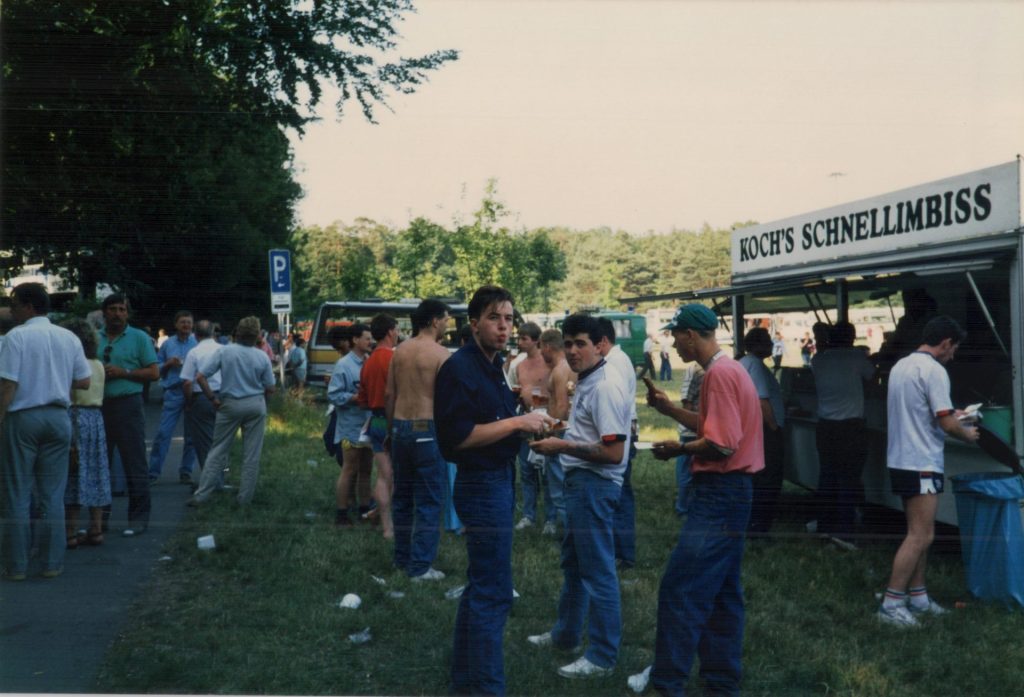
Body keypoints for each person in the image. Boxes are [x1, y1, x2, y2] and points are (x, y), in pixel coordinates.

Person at [631, 303, 763, 696]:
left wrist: (679, 450)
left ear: (690, 334)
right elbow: (715, 428)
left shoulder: (717, 375)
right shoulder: (729, 369)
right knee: (723, 592)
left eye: (675, 335)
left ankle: (668, 683)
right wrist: (670, 410)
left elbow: (721, 444)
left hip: (720, 494)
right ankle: (721, 682)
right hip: (735, 493)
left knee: (681, 588)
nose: (673, 344)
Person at [435, 285, 552, 697]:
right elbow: (457, 439)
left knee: (481, 586)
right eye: (493, 318)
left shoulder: (492, 365)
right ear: (473, 324)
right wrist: (518, 424)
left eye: (508, 319)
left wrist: (525, 422)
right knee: (494, 592)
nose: (504, 327)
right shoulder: (459, 368)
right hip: (482, 485)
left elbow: (492, 420)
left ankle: (465, 681)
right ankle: (486, 688)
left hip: (498, 479)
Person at [527, 313, 631, 679]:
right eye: (568, 343)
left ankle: (602, 657)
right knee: (574, 566)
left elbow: (614, 453)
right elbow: (590, 431)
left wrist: (562, 446)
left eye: (581, 344)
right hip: (580, 484)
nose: (572, 351)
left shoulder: (605, 386)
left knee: (598, 572)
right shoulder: (587, 379)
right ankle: (566, 635)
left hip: (594, 485)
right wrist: (558, 430)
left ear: (600, 345)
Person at [877, 315, 978, 628]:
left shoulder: (902, 366)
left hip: (901, 459)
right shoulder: (935, 371)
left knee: (917, 532)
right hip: (921, 461)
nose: (953, 356)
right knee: (922, 535)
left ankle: (918, 596)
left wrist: (952, 414)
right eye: (954, 349)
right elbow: (946, 424)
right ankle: (892, 603)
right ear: (945, 343)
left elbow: (927, 411)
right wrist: (967, 433)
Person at [0, 283, 91, 580]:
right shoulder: (68, 337)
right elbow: (84, 381)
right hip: (58, 416)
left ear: (29, 307)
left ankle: (16, 565)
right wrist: (55, 379)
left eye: (14, 305)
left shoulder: (16, 337)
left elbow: (8, 384)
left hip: (23, 417)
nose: (12, 310)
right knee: (52, 493)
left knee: (17, 491)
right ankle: (52, 562)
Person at [387, 299, 451, 580]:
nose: (447, 324)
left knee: (402, 497)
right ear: (435, 321)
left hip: (400, 426)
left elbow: (389, 394)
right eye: (446, 319)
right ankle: (421, 567)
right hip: (427, 428)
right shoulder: (441, 354)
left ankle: (401, 559)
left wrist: (390, 429)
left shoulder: (400, 350)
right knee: (429, 500)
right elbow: (447, 401)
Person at [189, 316, 276, 506]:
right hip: (255, 404)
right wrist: (264, 404)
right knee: (251, 454)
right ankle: (244, 498)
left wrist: (212, 398)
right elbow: (270, 388)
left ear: (238, 332)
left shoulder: (224, 351)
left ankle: (202, 495)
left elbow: (201, 377)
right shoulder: (262, 356)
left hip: (229, 404)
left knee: (218, 450)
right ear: (257, 335)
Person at [98, 293, 159, 537]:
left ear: (127, 313)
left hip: (128, 404)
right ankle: (99, 521)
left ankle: (138, 519)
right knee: (100, 463)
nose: (117, 314)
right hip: (99, 405)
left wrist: (124, 372)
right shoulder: (95, 337)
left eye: (122, 309)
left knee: (134, 462)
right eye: (112, 309)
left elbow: (154, 373)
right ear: (104, 312)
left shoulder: (139, 337)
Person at [811, 320, 875, 543]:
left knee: (827, 476)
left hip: (825, 426)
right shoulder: (856, 357)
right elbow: (871, 377)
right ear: (851, 338)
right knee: (849, 479)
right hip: (850, 426)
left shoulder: (818, 359)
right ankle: (845, 531)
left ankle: (824, 525)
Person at [60, 317, 112, 548]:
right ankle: (96, 528)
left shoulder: (73, 365)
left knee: (74, 472)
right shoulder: (98, 365)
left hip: (75, 416)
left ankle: (70, 532)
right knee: (97, 471)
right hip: (96, 419)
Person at [596, 317, 638, 569]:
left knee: (620, 495)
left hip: (621, 436)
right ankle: (620, 551)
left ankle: (623, 554)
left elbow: (617, 405)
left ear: (602, 341)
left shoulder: (614, 362)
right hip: (623, 433)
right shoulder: (617, 359)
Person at [738, 327, 786, 535]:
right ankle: (760, 524)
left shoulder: (744, 363)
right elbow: (762, 400)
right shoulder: (756, 365)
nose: (771, 345)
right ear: (757, 345)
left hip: (752, 428)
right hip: (766, 429)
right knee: (769, 477)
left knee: (757, 477)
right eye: (767, 341)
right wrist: (774, 427)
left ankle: (752, 520)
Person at [510, 321, 554, 532]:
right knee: (526, 471)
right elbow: (515, 388)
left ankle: (550, 519)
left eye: (524, 338)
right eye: (518, 338)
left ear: (536, 341)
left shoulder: (548, 363)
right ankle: (529, 515)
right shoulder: (518, 365)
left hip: (545, 420)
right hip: (525, 419)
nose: (519, 342)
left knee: (547, 473)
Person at [358, 313, 398, 538]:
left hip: (376, 419)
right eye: (397, 330)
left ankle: (383, 523)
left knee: (383, 474)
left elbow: (362, 400)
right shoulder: (393, 358)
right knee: (394, 475)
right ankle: (390, 526)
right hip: (394, 418)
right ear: (391, 331)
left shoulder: (368, 361)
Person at [329, 323, 373, 526]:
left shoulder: (370, 361)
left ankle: (364, 509)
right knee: (349, 468)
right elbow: (333, 395)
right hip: (350, 425)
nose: (370, 341)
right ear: (355, 340)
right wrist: (353, 398)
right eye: (367, 338)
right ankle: (342, 512)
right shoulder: (343, 365)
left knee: (367, 469)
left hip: (370, 423)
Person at [148, 310, 198, 485]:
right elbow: (157, 368)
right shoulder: (168, 344)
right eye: (182, 322)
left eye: (189, 322)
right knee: (163, 433)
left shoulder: (196, 343)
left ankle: (186, 471)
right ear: (176, 324)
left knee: (191, 436)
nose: (186, 325)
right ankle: (153, 472)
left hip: (193, 392)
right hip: (173, 392)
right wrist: (169, 363)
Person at [180, 320, 223, 483]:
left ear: (195, 335)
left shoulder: (194, 352)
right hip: (224, 397)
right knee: (221, 442)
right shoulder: (224, 349)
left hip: (202, 398)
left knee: (205, 443)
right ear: (213, 333)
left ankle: (211, 482)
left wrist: (188, 402)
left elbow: (187, 382)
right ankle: (221, 477)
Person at [538, 327, 571, 531]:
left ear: (548, 346)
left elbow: (561, 406)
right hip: (564, 431)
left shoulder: (559, 370)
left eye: (541, 347)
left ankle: (568, 534)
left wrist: (550, 433)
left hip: (559, 432)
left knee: (559, 487)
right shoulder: (566, 366)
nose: (541, 352)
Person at [674, 360, 703, 516]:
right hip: (693, 431)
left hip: (696, 431)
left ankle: (686, 506)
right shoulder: (696, 369)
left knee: (689, 472)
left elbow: (688, 401)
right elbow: (688, 402)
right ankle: (683, 507)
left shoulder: (698, 368)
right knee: (687, 473)